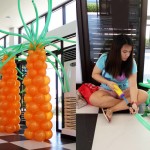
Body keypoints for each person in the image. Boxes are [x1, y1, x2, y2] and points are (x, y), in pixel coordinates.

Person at [89, 34, 148, 122]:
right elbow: (94, 74)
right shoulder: (105, 58)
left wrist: (134, 102)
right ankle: (126, 105)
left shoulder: (132, 62)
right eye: (124, 51)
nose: (127, 55)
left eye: (129, 51)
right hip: (107, 91)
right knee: (93, 99)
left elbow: (133, 85)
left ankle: (111, 109)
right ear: (116, 50)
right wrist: (108, 82)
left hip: (124, 91)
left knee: (144, 95)